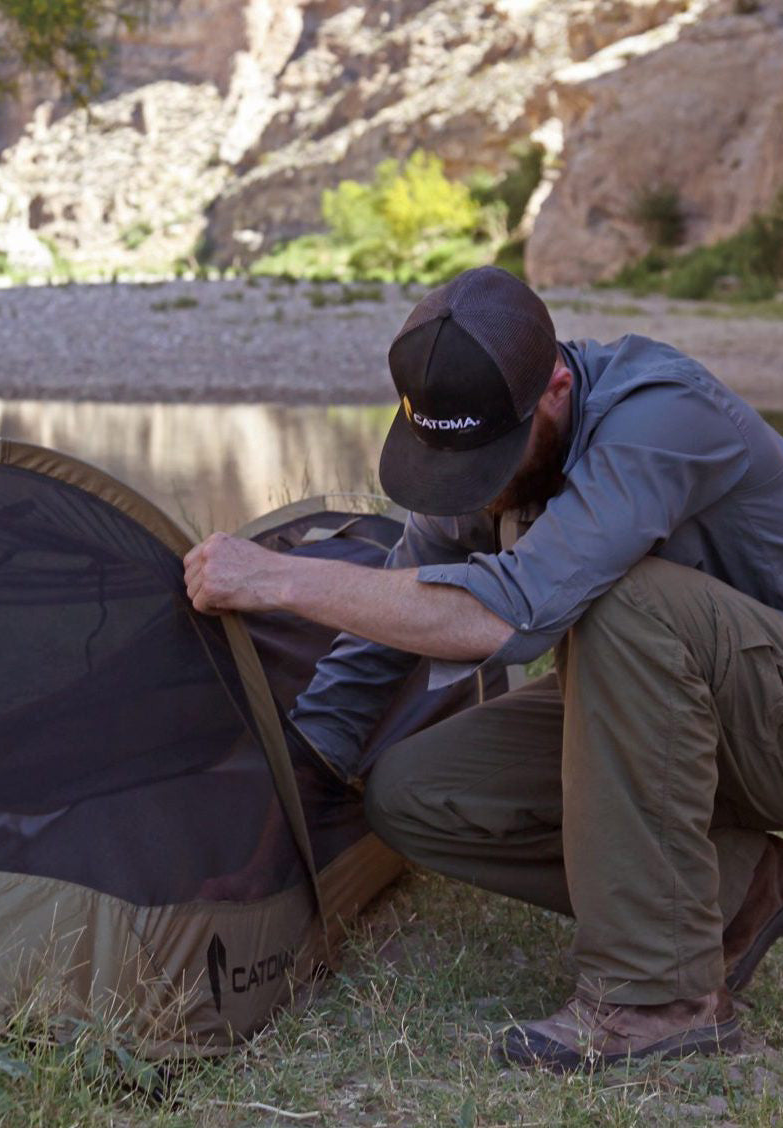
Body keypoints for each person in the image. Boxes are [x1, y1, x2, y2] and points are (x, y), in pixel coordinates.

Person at [182, 265, 783, 1072]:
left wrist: (279, 578)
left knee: (627, 602)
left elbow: (512, 612)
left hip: (766, 721)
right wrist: (271, 836)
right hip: (694, 725)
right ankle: (737, 893)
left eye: (494, 456)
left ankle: (658, 1000)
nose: (475, 488)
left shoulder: (660, 417)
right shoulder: (476, 449)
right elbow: (373, 652)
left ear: (557, 388)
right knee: (413, 792)